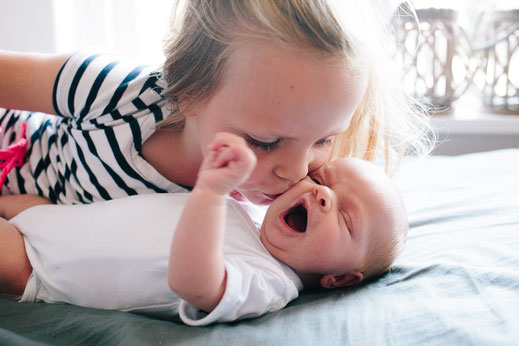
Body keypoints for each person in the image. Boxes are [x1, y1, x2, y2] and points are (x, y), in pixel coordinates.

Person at [0, 0, 434, 206]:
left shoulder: (279, 201)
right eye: (264, 141)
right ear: (186, 90)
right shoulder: (116, 92)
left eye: (324, 139)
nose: (295, 171)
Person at [0, 132, 407, 325]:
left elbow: (193, 282)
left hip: (38, 266)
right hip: (51, 216)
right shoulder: (247, 216)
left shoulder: (270, 283)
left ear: (340, 279)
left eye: (346, 217)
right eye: (322, 180)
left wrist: (213, 193)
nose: (322, 196)